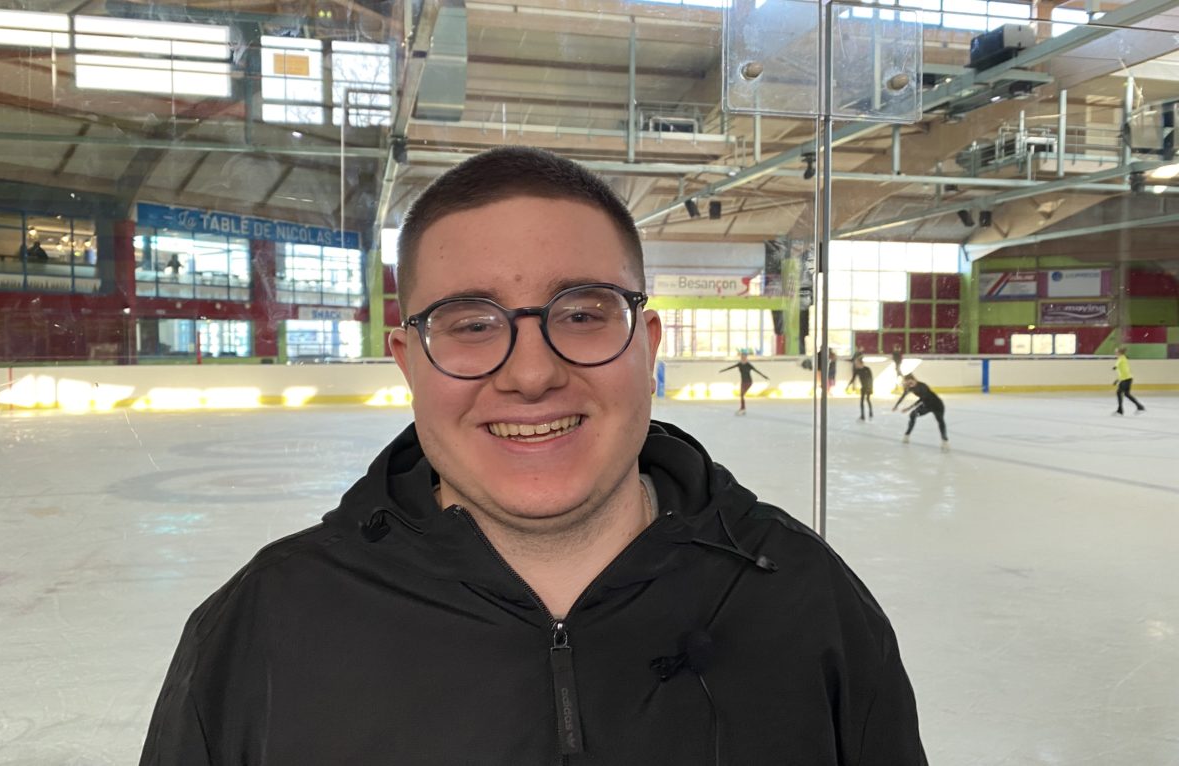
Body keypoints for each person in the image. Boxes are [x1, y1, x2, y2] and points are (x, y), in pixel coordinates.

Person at [140, 147, 926, 765]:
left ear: (646, 347)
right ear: (408, 361)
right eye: (471, 323)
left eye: (582, 313)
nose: (531, 373)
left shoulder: (805, 603)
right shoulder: (266, 628)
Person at [894, 373, 948, 451]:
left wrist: (908, 408)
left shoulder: (922, 386)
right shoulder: (909, 388)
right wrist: (896, 406)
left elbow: (921, 399)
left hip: (937, 405)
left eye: (911, 382)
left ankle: (944, 440)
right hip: (926, 405)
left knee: (940, 421)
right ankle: (907, 435)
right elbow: (902, 396)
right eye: (908, 383)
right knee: (913, 415)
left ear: (914, 380)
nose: (910, 384)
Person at [719, 350, 770, 415]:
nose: (743, 357)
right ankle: (742, 408)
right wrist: (723, 370)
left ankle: (743, 408)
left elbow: (756, 371)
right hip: (743, 382)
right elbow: (731, 367)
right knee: (741, 395)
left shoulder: (748, 365)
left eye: (744, 356)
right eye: (742, 356)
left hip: (749, 382)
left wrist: (764, 376)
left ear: (746, 357)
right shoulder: (739, 364)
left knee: (742, 395)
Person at [1112, 346, 1145, 415]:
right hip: (1127, 379)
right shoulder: (1122, 359)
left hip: (1126, 379)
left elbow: (1123, 370)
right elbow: (1123, 371)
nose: (1115, 353)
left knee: (1119, 393)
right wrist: (1118, 379)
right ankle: (1140, 407)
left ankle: (1120, 410)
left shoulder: (1121, 359)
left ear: (1120, 353)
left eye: (1116, 352)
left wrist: (1115, 367)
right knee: (1126, 394)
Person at [847, 352, 874, 421]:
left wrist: (870, 387)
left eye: (857, 363)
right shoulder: (857, 370)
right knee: (861, 402)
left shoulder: (867, 369)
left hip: (868, 387)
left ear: (860, 363)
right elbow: (853, 378)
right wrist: (848, 385)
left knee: (868, 399)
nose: (856, 365)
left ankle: (870, 412)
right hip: (863, 387)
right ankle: (862, 415)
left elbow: (871, 379)